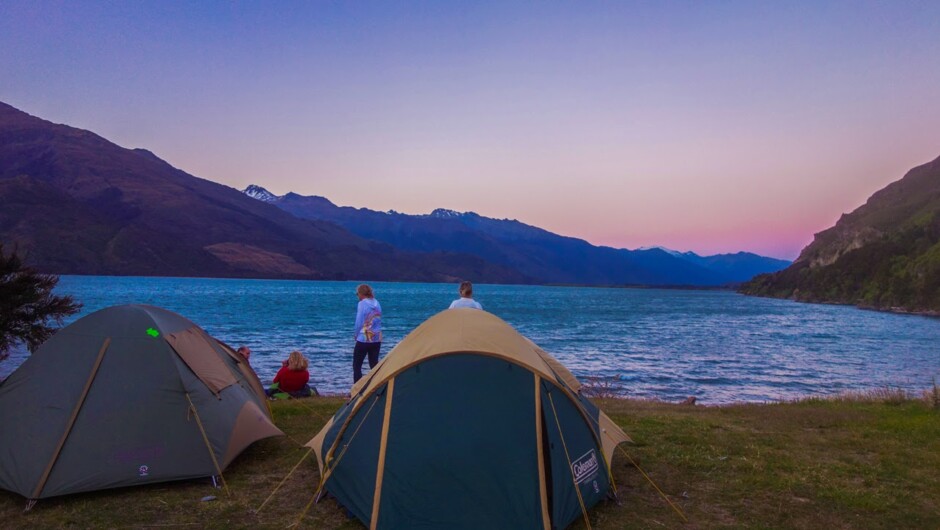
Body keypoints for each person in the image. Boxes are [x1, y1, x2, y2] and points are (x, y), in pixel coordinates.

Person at [353, 283, 382, 383]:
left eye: (357, 294)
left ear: (361, 294)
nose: (358, 296)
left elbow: (359, 321)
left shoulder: (362, 304)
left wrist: (356, 334)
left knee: (357, 366)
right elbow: (378, 320)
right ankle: (377, 386)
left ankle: (357, 390)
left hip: (364, 338)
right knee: (374, 366)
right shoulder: (377, 303)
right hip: (376, 338)